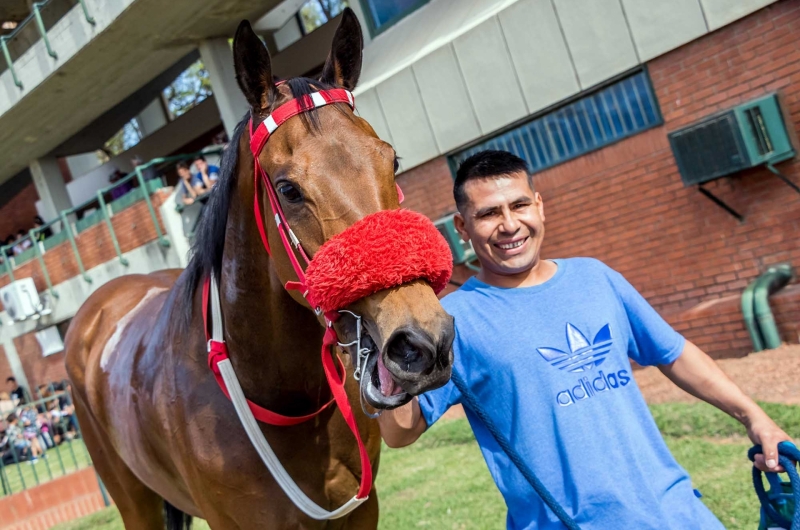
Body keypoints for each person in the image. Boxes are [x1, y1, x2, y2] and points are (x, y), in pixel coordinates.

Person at [377, 150, 793, 529]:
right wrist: (378, 350)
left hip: (677, 511)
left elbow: (673, 353)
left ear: (539, 206)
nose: (509, 225)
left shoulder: (595, 277)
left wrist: (754, 417)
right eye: (489, 214)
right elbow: (400, 432)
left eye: (520, 205)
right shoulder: (454, 320)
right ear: (462, 228)